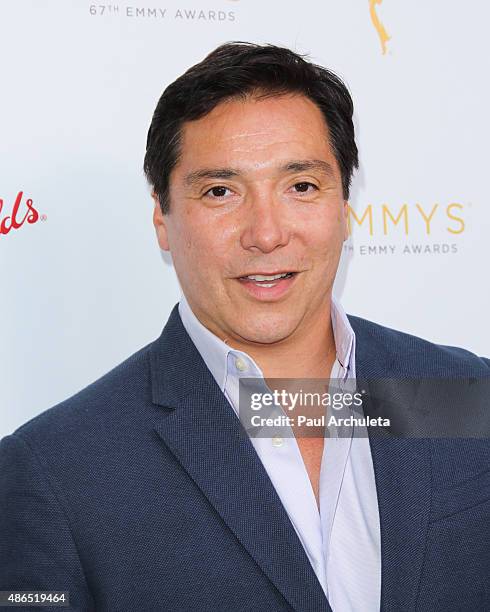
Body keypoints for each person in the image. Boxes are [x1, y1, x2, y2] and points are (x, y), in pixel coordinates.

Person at [1, 42, 488, 612]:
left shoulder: (465, 396)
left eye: (301, 186)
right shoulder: (55, 471)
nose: (266, 233)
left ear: (345, 203)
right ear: (162, 215)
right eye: (221, 191)